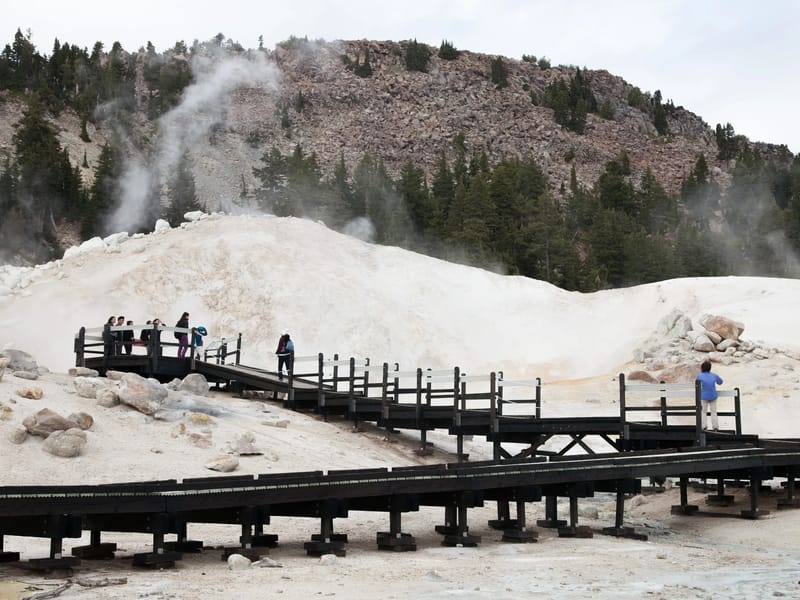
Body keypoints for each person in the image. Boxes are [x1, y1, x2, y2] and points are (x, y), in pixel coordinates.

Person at [696, 360, 723, 431]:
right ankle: (715, 427)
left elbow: (696, 385)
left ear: (702, 368)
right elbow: (720, 382)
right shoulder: (714, 375)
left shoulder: (700, 376)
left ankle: (704, 426)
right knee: (713, 412)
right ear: (710, 368)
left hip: (704, 397)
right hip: (713, 396)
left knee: (703, 412)